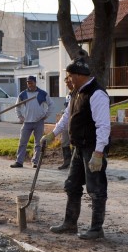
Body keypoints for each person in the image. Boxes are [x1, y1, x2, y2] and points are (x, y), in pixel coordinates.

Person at [41, 52, 110, 240]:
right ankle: (70, 223)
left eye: (70, 76)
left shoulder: (97, 94)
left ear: (79, 75)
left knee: (96, 188)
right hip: (79, 148)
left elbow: (103, 126)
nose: (68, 80)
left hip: (93, 148)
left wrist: (98, 152)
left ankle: (97, 229)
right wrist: (52, 134)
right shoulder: (76, 93)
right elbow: (66, 117)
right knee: (72, 185)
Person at [10, 75, 50, 169]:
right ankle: (19, 162)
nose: (30, 84)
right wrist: (20, 116)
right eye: (28, 82)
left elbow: (51, 105)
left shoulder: (42, 93)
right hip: (27, 122)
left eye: (31, 82)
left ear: (35, 82)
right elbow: (17, 106)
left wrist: (46, 115)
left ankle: (35, 162)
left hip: (38, 122)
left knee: (38, 143)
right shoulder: (23, 94)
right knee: (22, 142)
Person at [56, 76, 75, 170]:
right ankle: (67, 161)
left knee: (75, 142)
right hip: (66, 121)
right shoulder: (68, 95)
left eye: (69, 83)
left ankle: (75, 162)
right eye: (66, 83)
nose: (68, 85)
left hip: (75, 122)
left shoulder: (77, 93)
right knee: (64, 141)